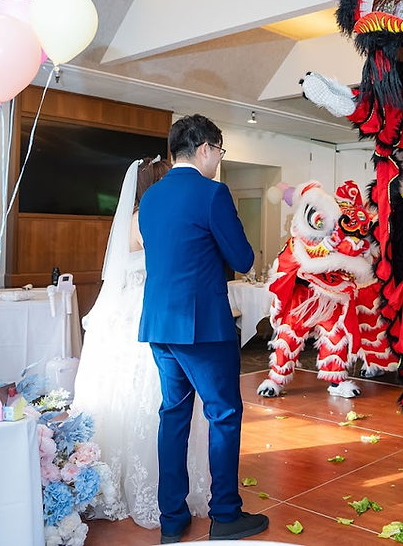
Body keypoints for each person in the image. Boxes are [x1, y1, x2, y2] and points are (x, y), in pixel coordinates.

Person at [138, 115, 267, 543]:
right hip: (203, 328)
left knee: (173, 416)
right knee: (224, 415)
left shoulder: (152, 197)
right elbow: (244, 258)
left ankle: (172, 519)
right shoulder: (213, 193)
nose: (219, 161)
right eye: (220, 152)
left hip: (159, 324)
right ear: (206, 148)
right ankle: (225, 515)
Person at [72, 156, 209, 531]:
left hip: (129, 313)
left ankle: (136, 478)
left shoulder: (133, 218)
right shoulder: (149, 218)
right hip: (150, 313)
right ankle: (150, 482)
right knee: (154, 397)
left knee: (133, 395)